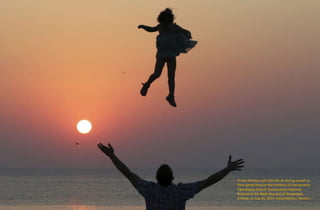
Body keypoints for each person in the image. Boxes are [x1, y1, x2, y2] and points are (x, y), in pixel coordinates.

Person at [97, 143, 244, 210]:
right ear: (173, 178)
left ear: (156, 178)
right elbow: (208, 181)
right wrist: (227, 169)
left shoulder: (149, 190)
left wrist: (112, 156)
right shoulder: (180, 192)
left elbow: (128, 174)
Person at [138, 8, 197, 107]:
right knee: (157, 73)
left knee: (171, 76)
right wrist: (143, 26)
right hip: (162, 54)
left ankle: (171, 96)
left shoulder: (174, 27)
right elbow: (151, 29)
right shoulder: (160, 26)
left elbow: (184, 31)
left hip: (171, 54)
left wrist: (188, 34)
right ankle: (146, 85)